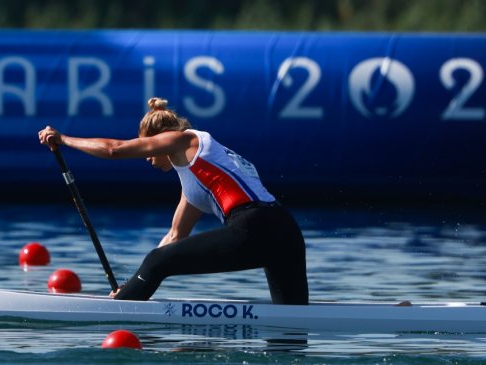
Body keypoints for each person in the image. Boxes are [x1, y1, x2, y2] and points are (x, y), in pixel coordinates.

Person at [38, 97, 308, 305]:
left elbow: (114, 149)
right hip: (286, 231)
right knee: (291, 328)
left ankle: (118, 312)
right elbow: (174, 238)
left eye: (149, 148)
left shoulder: (183, 139)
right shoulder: (196, 174)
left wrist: (64, 139)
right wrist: (134, 285)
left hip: (254, 226)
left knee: (157, 262)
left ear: (160, 139)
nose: (147, 157)